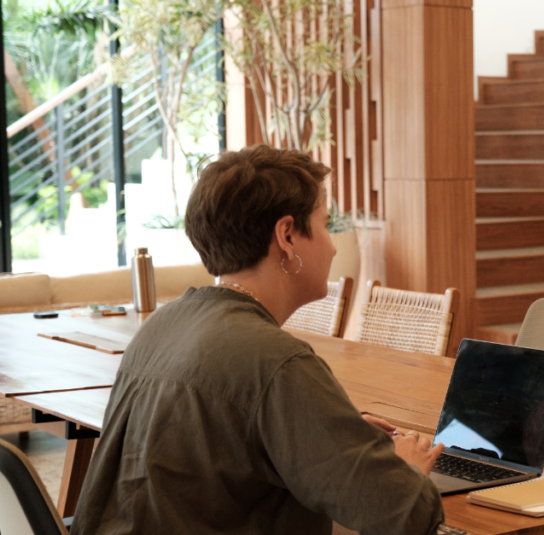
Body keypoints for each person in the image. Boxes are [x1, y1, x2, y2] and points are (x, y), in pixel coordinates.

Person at [72, 145, 445, 535]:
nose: (333, 246)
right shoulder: (277, 362)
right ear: (287, 235)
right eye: (325, 224)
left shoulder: (162, 324)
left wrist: (329, 432)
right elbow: (405, 516)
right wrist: (404, 468)